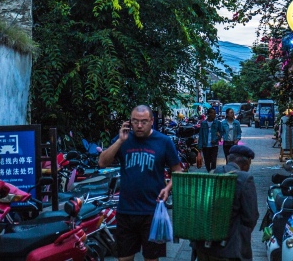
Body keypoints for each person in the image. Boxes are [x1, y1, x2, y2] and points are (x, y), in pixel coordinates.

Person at [99, 105, 183, 261]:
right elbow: (102, 163)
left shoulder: (164, 142)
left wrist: (168, 188)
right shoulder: (123, 140)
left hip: (153, 211)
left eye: (143, 121)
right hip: (126, 210)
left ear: (152, 121)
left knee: (151, 258)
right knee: (124, 257)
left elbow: (177, 171)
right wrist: (120, 141)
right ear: (130, 121)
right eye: (135, 121)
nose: (139, 125)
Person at [194, 145, 259, 261]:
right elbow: (251, 217)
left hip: (203, 246)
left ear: (228, 159)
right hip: (229, 250)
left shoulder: (213, 173)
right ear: (247, 162)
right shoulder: (245, 178)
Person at [198, 107, 222, 172]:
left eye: (215, 113)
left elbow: (221, 133)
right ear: (209, 114)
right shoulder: (203, 123)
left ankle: (212, 173)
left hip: (214, 145)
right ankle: (209, 172)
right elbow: (201, 135)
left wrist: (216, 138)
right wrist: (199, 146)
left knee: (214, 161)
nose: (214, 115)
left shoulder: (217, 123)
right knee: (207, 161)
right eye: (213, 113)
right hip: (205, 145)